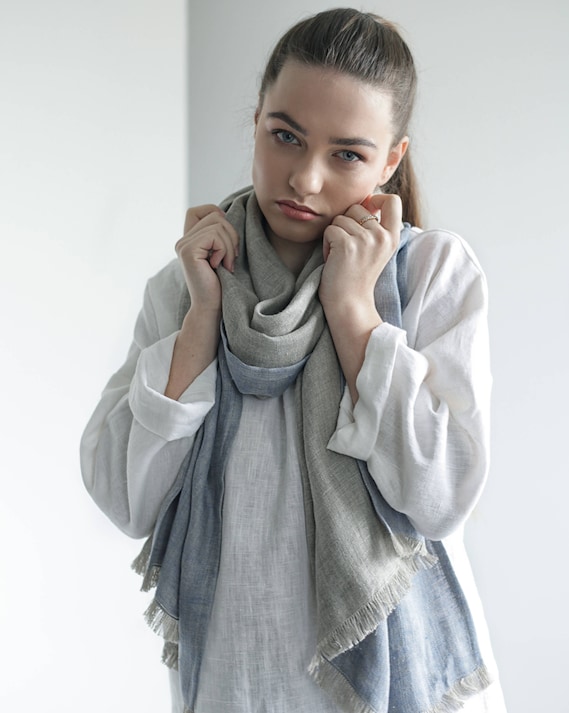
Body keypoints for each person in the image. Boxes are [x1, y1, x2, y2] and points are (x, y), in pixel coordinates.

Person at [80, 8, 507, 713]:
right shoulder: (192, 279)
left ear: (390, 161)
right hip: (237, 683)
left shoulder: (431, 274)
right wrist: (201, 322)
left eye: (346, 154)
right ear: (255, 122)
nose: (304, 179)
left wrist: (354, 313)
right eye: (285, 136)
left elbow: (442, 497)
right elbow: (124, 498)